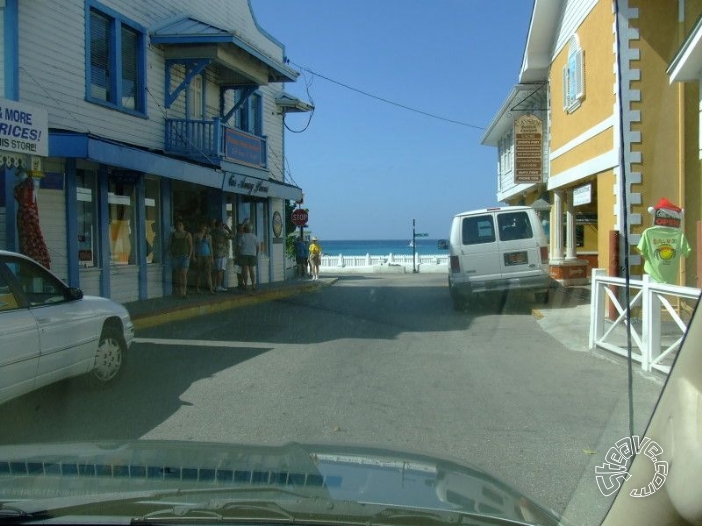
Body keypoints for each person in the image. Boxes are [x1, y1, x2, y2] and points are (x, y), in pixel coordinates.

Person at [168, 219, 192, 298]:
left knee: (183, 274)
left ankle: (184, 291)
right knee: (178, 275)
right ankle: (179, 291)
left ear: (183, 226)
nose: (179, 226)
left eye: (180, 225)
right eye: (177, 225)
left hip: (184, 257)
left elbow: (191, 246)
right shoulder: (173, 234)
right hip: (176, 256)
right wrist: (171, 254)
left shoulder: (187, 234)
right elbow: (170, 244)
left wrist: (189, 256)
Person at [193, 221, 215, 294]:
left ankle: (211, 289)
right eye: (202, 226)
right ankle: (197, 288)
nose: (204, 228)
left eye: (205, 227)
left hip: (207, 255)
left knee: (208, 273)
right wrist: (193, 256)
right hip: (199, 255)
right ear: (200, 227)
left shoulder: (209, 236)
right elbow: (193, 246)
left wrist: (212, 258)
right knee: (198, 272)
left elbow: (210, 247)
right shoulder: (196, 235)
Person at [211, 219, 233, 292]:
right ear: (221, 225)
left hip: (213, 253)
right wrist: (228, 228)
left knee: (214, 270)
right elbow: (232, 236)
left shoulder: (212, 232)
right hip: (221, 253)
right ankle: (218, 286)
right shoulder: (223, 232)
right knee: (220, 271)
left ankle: (213, 285)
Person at [237, 223, 259, 292]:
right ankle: (253, 285)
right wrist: (256, 254)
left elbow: (239, 246)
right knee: (251, 269)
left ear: (245, 229)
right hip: (253, 254)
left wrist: (238, 254)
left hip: (244, 254)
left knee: (245, 270)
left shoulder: (242, 236)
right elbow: (258, 246)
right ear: (251, 229)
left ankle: (246, 284)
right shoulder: (254, 236)